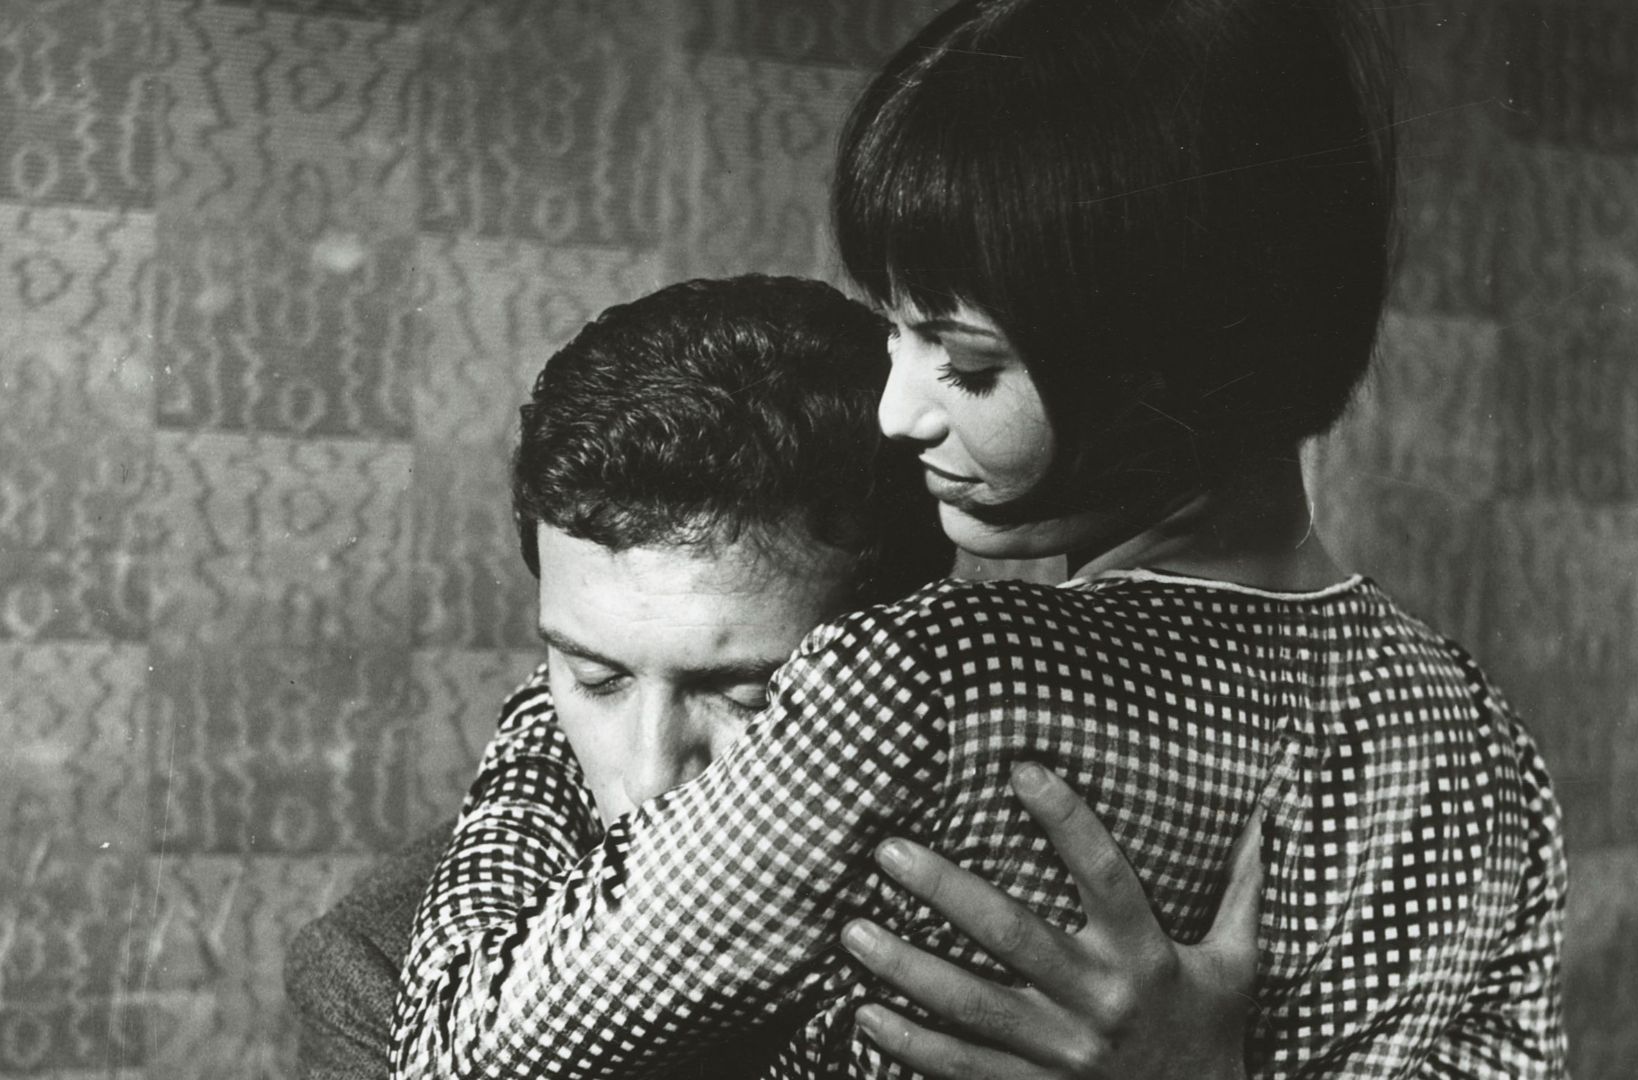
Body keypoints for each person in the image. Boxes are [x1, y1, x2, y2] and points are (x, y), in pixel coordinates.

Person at [393, 0, 1568, 1076]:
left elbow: (459, 1048)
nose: (900, 412)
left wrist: (550, 707)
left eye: (966, 363)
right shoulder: (1480, 736)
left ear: (1167, 357)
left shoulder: (930, 678)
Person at [287, 274, 1258, 1080]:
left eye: (752, 695)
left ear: (900, 659)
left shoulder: (1121, 932)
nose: (653, 776)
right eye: (594, 678)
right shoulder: (387, 964)